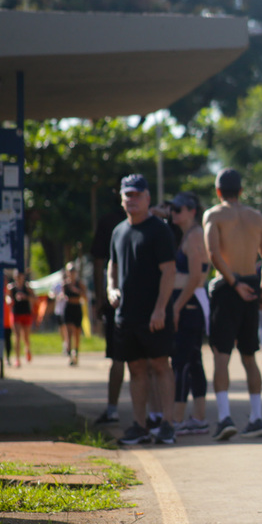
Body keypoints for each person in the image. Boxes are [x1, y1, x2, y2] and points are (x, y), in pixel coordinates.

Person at [202, 168, 262, 441]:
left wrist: (233, 283)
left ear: (218, 191)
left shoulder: (214, 215)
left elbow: (213, 254)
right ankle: (256, 417)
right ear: (241, 191)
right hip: (251, 286)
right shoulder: (256, 217)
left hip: (228, 288)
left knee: (221, 355)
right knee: (249, 356)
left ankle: (224, 418)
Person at [109, 173, 178, 446]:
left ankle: (167, 424)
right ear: (122, 199)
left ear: (148, 198)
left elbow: (169, 272)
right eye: (128, 194)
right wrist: (111, 289)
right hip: (127, 315)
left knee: (160, 365)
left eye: (137, 194)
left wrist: (160, 309)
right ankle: (139, 426)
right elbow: (112, 267)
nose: (132, 199)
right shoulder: (118, 231)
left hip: (154, 315)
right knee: (135, 368)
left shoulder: (159, 230)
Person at [168, 192, 211, 436]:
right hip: (189, 302)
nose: (173, 213)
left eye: (178, 209)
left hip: (189, 303)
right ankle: (199, 417)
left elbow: (195, 277)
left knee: (182, 362)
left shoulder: (194, 236)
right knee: (193, 361)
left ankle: (177, 418)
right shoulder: (189, 234)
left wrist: (176, 307)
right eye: (172, 209)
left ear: (192, 211)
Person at [90, 207, 127, 426]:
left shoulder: (110, 222)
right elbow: (101, 263)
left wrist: (100, 297)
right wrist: (101, 297)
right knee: (124, 359)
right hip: (119, 301)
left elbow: (99, 263)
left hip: (122, 301)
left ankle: (153, 415)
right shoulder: (114, 225)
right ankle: (154, 416)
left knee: (123, 359)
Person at [61, 262, 88, 366]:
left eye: (73, 271)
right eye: (70, 271)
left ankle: (75, 353)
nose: (71, 273)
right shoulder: (65, 284)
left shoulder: (79, 284)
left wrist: (78, 291)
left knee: (77, 333)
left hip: (77, 308)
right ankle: (69, 354)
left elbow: (85, 297)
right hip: (68, 308)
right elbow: (62, 296)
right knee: (69, 332)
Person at [7, 270, 34, 367]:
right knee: (17, 336)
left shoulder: (27, 288)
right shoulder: (11, 288)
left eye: (20, 276)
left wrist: (25, 297)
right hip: (16, 314)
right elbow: (8, 298)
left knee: (26, 337)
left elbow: (35, 299)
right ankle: (17, 359)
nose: (19, 278)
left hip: (26, 313)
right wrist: (9, 301)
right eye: (17, 276)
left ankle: (27, 349)